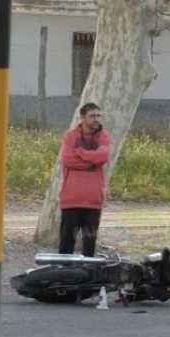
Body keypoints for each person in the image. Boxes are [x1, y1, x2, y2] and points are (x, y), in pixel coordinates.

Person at [58, 102, 112, 257]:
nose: (96, 119)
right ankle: (65, 277)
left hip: (93, 202)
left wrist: (81, 152)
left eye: (98, 115)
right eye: (92, 116)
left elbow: (103, 156)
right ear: (82, 117)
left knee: (89, 247)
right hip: (71, 200)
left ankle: (88, 278)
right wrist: (93, 163)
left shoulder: (104, 136)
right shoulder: (70, 136)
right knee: (66, 245)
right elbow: (68, 160)